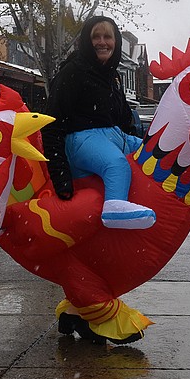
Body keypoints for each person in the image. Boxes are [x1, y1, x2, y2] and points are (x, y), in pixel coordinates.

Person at [44, 16, 155, 230]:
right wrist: (60, 176)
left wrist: (133, 140)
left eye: (108, 37)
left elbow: (123, 119)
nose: (102, 42)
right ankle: (114, 210)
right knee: (116, 164)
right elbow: (52, 123)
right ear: (87, 40)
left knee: (148, 151)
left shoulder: (113, 77)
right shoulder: (72, 72)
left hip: (112, 137)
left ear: (116, 42)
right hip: (80, 140)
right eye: (96, 37)